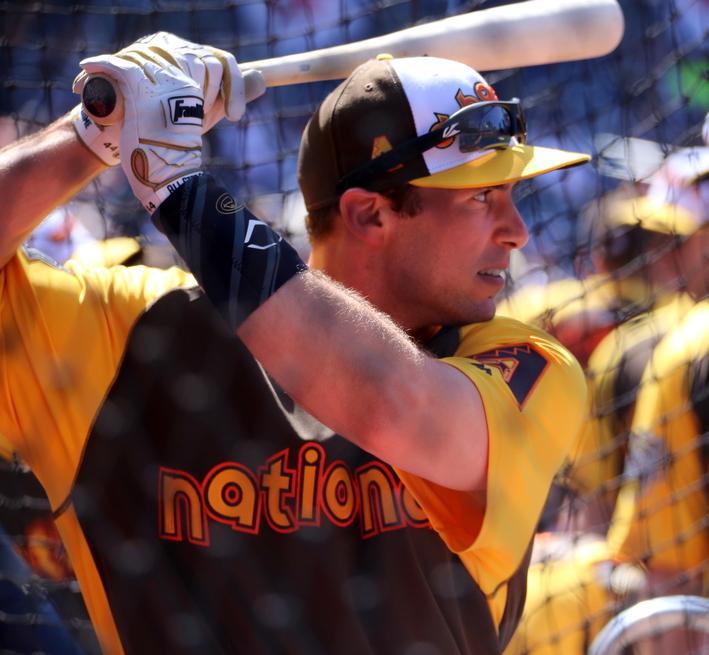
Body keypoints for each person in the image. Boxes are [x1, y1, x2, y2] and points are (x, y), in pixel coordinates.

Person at [0, 35, 589, 654]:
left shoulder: (525, 364)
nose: (518, 231)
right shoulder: (142, 330)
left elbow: (391, 403)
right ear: (370, 216)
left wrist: (182, 189)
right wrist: (94, 134)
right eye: (482, 198)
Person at [504, 145, 709, 655]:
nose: (661, 255)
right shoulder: (658, 346)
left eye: (669, 240)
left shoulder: (672, 350)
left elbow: (648, 559)